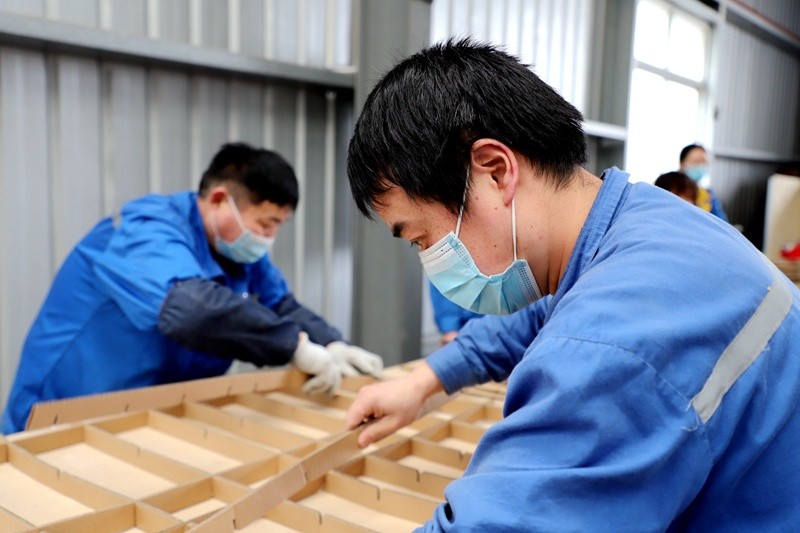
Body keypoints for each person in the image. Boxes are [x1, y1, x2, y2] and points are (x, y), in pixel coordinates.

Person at [343, 39, 800, 531]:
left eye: (422, 238)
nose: (430, 260)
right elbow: (540, 317)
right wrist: (423, 383)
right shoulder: (644, 223)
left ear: (495, 171)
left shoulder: (610, 345)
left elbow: (500, 524)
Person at [2, 143, 382, 434]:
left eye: (278, 226)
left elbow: (280, 304)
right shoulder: (147, 230)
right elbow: (192, 310)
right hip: (63, 414)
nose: (268, 238)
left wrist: (332, 343)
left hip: (149, 418)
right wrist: (294, 347)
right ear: (219, 200)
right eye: (265, 224)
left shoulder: (236, 251)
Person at [679, 143, 728, 221]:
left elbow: (721, 222)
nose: (700, 166)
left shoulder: (708, 194)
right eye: (696, 161)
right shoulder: (668, 188)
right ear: (682, 164)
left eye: (704, 162)